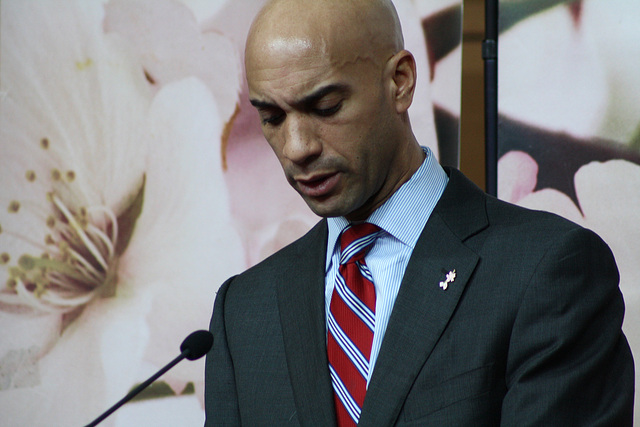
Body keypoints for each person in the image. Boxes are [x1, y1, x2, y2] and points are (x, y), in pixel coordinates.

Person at [204, 0, 634, 425]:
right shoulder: (244, 311)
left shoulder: (547, 272)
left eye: (326, 107)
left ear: (401, 82)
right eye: (273, 118)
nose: (297, 147)